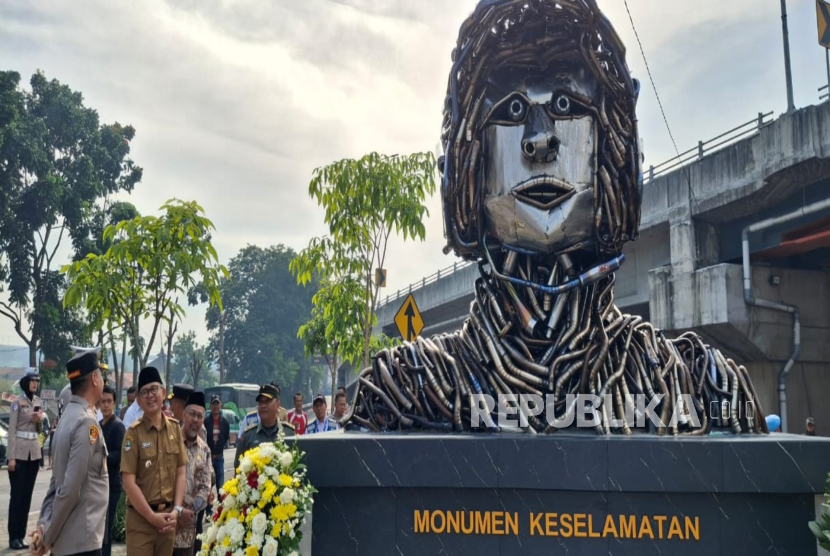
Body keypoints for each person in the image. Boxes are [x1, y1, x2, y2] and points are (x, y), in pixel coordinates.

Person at [31, 349, 109, 556]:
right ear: (94, 378)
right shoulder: (86, 422)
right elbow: (69, 490)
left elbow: (55, 483)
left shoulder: (67, 418)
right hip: (82, 542)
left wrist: (43, 525)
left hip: (71, 543)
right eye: (100, 375)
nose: (103, 380)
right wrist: (46, 538)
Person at [120, 366, 187, 556]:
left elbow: (181, 471)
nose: (150, 395)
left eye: (154, 389)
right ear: (139, 401)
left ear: (163, 393)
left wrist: (177, 510)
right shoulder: (133, 434)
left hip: (167, 520)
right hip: (141, 521)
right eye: (144, 392)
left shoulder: (174, 429)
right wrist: (151, 517)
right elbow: (128, 483)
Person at [7, 369, 43, 550]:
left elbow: (39, 430)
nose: (35, 383)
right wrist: (11, 458)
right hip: (19, 455)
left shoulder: (37, 402)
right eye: (32, 380)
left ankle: (21, 536)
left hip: (33, 454)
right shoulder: (17, 403)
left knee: (27, 497)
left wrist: (39, 419)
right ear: (25, 382)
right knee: (17, 497)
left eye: (37, 380)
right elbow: (12, 430)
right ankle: (13, 536)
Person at [173, 392, 211, 556]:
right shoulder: (170, 441)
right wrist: (176, 511)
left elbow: (205, 487)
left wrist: (188, 512)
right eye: (192, 414)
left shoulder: (204, 450)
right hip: (164, 525)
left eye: (199, 416)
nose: (195, 420)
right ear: (183, 414)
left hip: (187, 531)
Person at [233, 384, 294, 466]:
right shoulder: (248, 436)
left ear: (278, 404)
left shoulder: (289, 433)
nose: (263, 406)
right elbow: (238, 471)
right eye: (260, 402)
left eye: (267, 401)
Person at [100, 386, 126, 556]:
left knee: (106, 529)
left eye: (109, 401)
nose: (106, 405)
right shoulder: (98, 425)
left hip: (112, 483)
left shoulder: (118, 426)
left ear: (114, 403)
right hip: (99, 483)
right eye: (102, 401)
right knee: (99, 528)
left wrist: (101, 458)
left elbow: (121, 454)